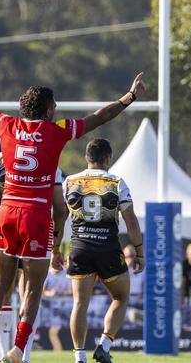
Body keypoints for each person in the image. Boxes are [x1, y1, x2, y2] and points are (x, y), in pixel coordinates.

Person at [0, 67, 145, 363]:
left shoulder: (6, 124)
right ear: (46, 111)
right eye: (54, 106)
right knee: (32, 289)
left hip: (7, 211)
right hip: (37, 215)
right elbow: (99, 117)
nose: (56, 109)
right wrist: (129, 97)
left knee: (0, 284)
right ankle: (18, 350)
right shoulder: (56, 130)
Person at [0, 151, 67, 362]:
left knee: (1, 286)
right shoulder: (48, 158)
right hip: (36, 227)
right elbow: (60, 208)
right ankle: (22, 353)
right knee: (30, 292)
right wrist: (57, 245)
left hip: (4, 225)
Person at [63, 139, 144, 363]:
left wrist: (55, 249)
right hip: (107, 248)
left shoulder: (70, 181)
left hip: (79, 247)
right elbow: (131, 220)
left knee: (80, 303)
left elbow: (59, 217)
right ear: (108, 158)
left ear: (86, 158)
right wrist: (139, 252)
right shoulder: (116, 181)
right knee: (120, 296)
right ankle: (104, 345)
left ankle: (79, 357)